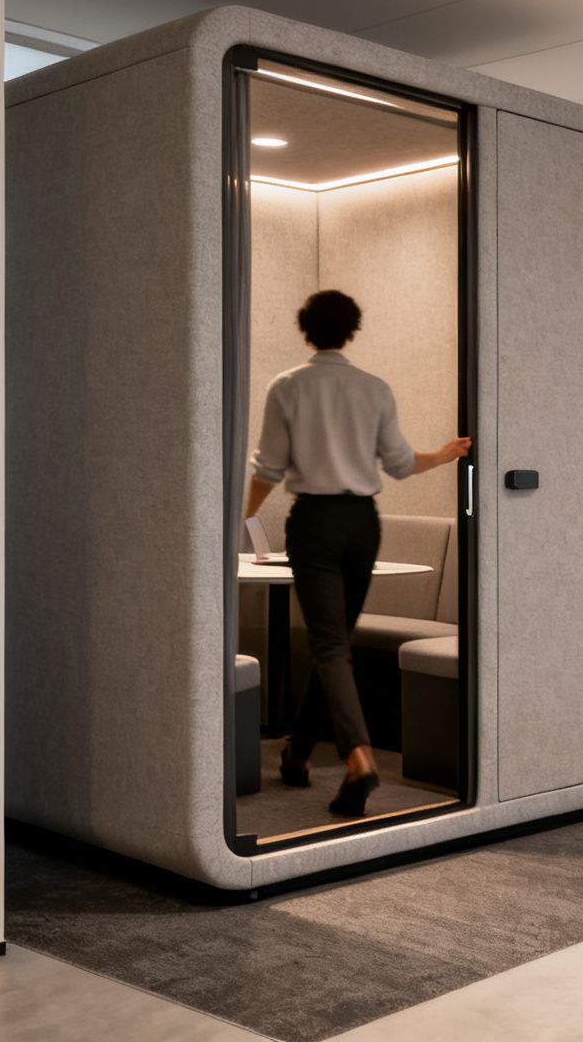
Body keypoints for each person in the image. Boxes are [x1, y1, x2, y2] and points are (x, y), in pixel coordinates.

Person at [244, 290, 471, 817]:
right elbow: (400, 464)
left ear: (306, 330)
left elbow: (268, 469)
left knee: (329, 644)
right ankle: (298, 753)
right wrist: (446, 454)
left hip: (316, 522)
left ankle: (358, 758)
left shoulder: (288, 386)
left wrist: (242, 519)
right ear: (352, 331)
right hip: (363, 523)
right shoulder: (374, 388)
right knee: (337, 644)